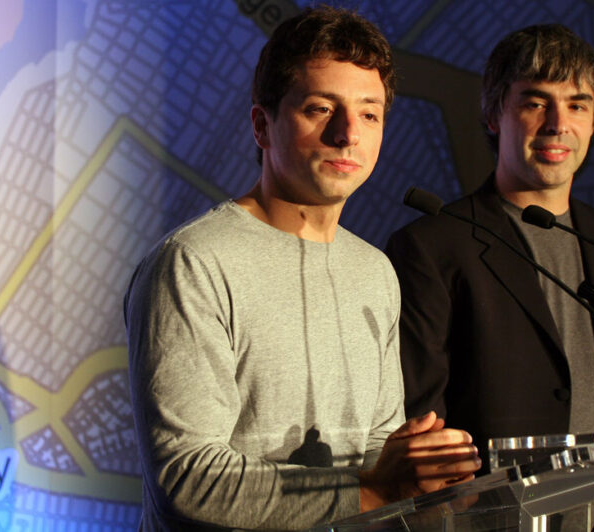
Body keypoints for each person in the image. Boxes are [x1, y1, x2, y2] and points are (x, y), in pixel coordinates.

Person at [124, 7, 481, 531]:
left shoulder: (375, 271)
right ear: (261, 125)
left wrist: (421, 468)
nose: (347, 134)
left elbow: (375, 444)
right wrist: (374, 489)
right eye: (320, 108)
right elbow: (188, 477)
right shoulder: (193, 264)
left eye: (369, 114)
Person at [384, 24, 594, 530]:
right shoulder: (434, 246)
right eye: (535, 102)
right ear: (494, 113)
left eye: (577, 104)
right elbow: (426, 430)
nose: (557, 124)